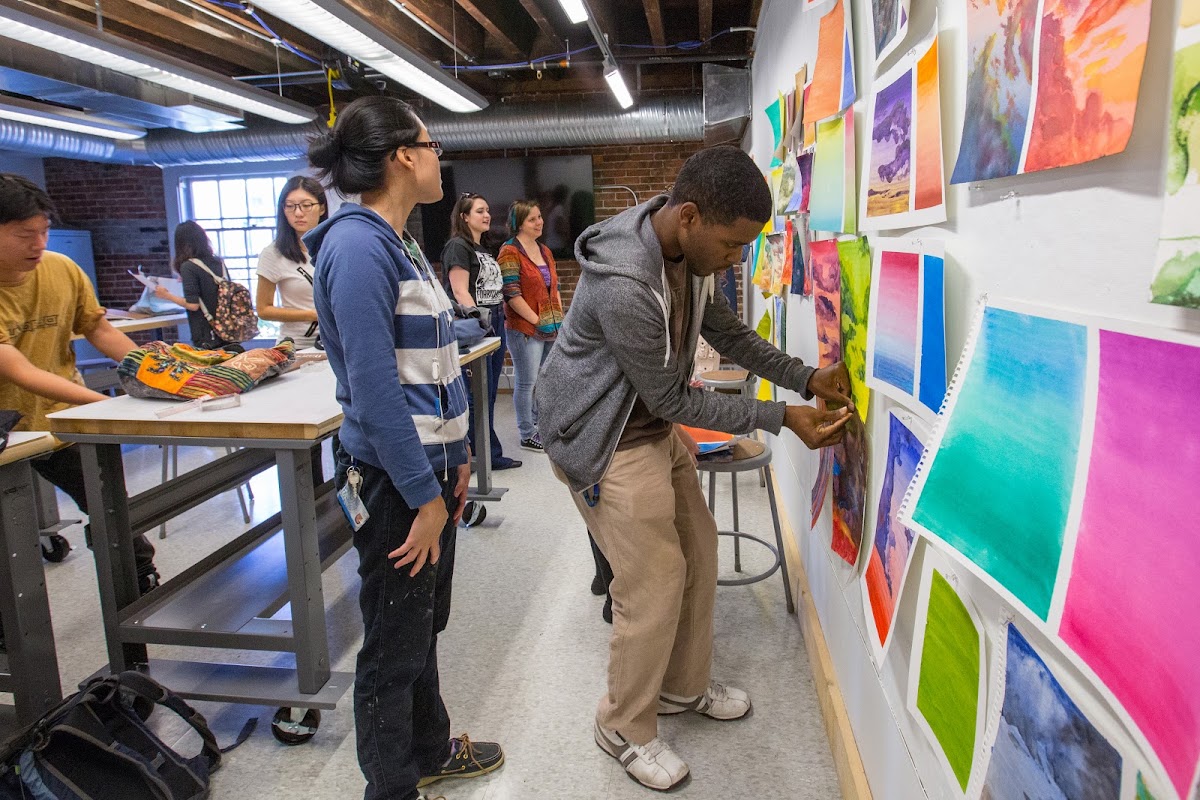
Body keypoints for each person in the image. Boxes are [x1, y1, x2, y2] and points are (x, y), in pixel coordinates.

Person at [536, 145, 854, 791]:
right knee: (652, 583)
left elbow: (730, 336)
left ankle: (681, 691)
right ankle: (624, 724)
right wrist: (783, 417)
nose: (738, 258)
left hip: (651, 430)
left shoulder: (692, 258)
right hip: (604, 441)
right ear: (688, 217)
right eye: (733, 244)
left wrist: (807, 377)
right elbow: (671, 398)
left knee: (699, 554)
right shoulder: (626, 283)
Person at [306, 96, 504, 800]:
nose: (438, 155)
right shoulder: (357, 247)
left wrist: (460, 456)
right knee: (393, 643)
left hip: (428, 471)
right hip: (395, 481)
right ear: (401, 157)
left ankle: (426, 748)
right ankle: (391, 787)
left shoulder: (399, 240)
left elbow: (433, 361)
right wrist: (424, 495)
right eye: (432, 143)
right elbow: (377, 391)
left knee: (421, 624)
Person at [0, 174, 160, 609]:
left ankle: (137, 583)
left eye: (44, 231)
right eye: (23, 235)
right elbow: (16, 369)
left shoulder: (60, 268)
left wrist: (156, 376)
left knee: (111, 505)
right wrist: (112, 405)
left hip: (58, 416)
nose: (38, 243)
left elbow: (97, 328)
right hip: (6, 429)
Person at [440, 193, 520, 471]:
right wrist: (480, 323)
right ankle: (481, 454)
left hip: (495, 320)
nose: (486, 215)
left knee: (488, 392)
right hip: (477, 324)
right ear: (464, 217)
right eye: (479, 211)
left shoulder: (482, 248)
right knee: (475, 393)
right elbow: (460, 291)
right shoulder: (457, 247)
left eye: (487, 210)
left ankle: (486, 449)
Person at [498, 200, 563, 452]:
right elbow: (512, 294)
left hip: (551, 327)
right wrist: (539, 322)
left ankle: (539, 424)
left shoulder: (545, 250)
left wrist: (558, 318)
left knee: (544, 381)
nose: (540, 222)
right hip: (525, 329)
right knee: (527, 382)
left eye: (540, 217)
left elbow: (553, 288)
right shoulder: (509, 251)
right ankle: (527, 432)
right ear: (519, 224)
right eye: (532, 219)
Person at [255, 176, 328, 349]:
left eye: (306, 205)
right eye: (290, 206)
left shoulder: (335, 247)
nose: (298, 213)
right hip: (296, 346)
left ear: (322, 207)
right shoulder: (273, 253)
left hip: (337, 344)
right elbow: (263, 309)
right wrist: (312, 315)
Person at [154, 221, 246, 352]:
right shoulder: (218, 262)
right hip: (229, 329)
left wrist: (166, 295)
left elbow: (193, 305)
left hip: (207, 333)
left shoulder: (188, 266)